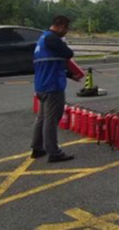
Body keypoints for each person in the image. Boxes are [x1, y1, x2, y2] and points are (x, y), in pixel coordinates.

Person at [31, 16, 75, 163]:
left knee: (42, 118)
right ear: (61, 26)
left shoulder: (42, 39)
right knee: (51, 120)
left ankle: (37, 148)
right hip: (53, 85)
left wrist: (70, 74)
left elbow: (53, 63)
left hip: (41, 85)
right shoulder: (53, 39)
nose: (66, 32)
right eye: (67, 28)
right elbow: (68, 53)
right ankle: (54, 152)